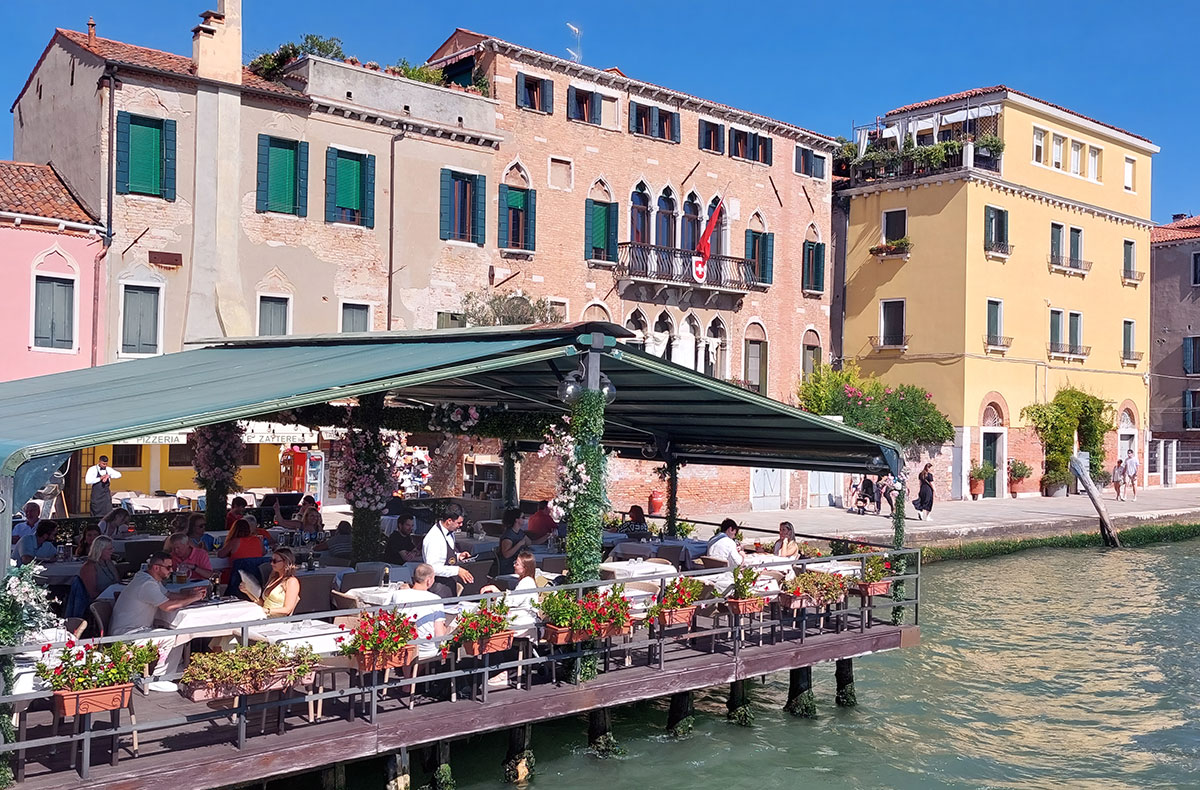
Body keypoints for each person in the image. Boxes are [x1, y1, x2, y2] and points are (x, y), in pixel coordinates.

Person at [109, 551, 207, 692]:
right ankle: (158, 678)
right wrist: (193, 598)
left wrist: (189, 594)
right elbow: (167, 606)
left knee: (180, 633)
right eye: (168, 567)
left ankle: (169, 670)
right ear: (156, 567)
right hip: (127, 635)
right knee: (172, 636)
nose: (172, 570)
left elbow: (167, 594)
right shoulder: (147, 584)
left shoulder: (148, 579)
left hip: (134, 630)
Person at [391, 563, 448, 659]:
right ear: (428, 581)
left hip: (402, 645)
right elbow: (439, 635)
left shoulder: (397, 595)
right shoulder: (435, 599)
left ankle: (409, 672)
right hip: (426, 649)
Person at [422, 504, 474, 598]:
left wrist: (458, 556)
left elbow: (445, 555)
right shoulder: (434, 538)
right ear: (449, 521)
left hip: (449, 584)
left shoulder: (450, 533)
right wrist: (457, 570)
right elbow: (433, 568)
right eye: (459, 523)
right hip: (438, 587)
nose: (461, 525)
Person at [68, 535, 121, 617]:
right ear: (100, 550)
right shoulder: (89, 567)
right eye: (109, 549)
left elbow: (117, 581)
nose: (112, 551)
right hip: (99, 603)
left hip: (113, 598)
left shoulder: (109, 563)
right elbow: (93, 594)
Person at [244, 548, 300, 618]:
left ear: (285, 562)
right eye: (271, 560)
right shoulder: (274, 578)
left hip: (276, 620)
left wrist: (267, 611)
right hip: (264, 616)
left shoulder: (291, 581)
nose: (271, 563)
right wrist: (247, 592)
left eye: (275, 561)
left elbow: (287, 609)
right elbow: (263, 604)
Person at [217, 517, 265, 591]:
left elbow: (220, 555)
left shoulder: (235, 541)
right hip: (257, 578)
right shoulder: (258, 540)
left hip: (238, 579)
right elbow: (263, 553)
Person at [496, 508, 533, 576]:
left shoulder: (520, 532)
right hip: (508, 566)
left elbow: (530, 543)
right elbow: (506, 555)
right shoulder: (508, 535)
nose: (524, 519)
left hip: (517, 563)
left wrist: (547, 536)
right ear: (516, 520)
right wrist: (519, 544)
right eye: (523, 517)